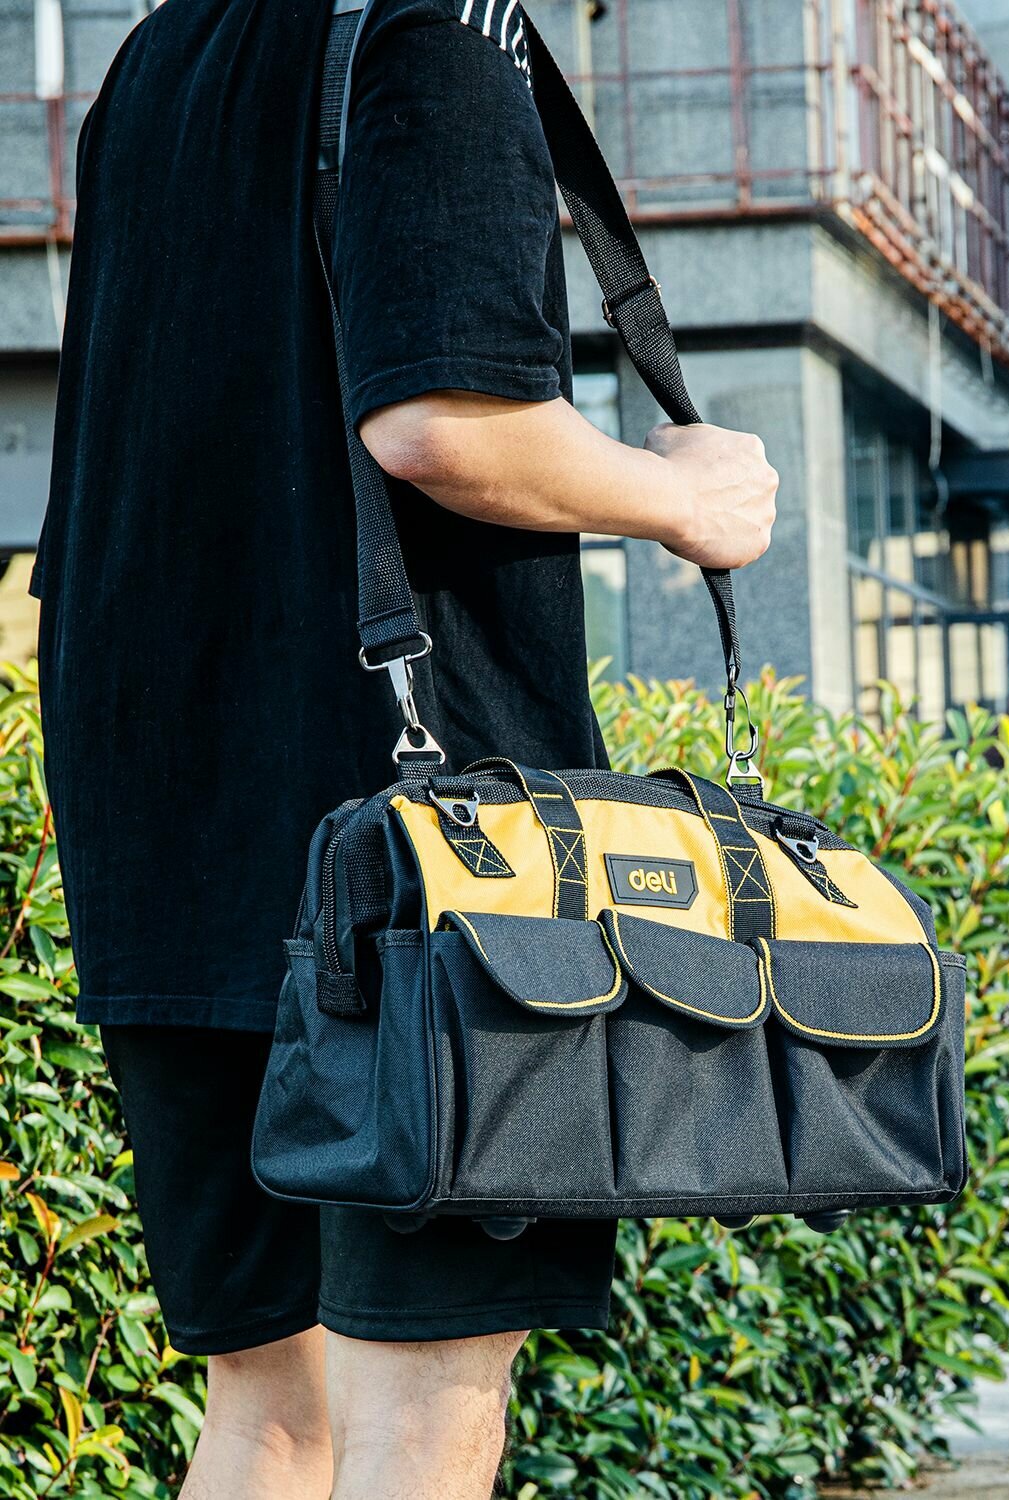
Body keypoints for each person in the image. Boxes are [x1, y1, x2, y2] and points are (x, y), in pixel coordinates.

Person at [34, 0, 777, 1494]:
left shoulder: (158, 56)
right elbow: (442, 421)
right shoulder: (437, 27)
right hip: (418, 858)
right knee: (424, 1409)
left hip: (163, 819)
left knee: (270, 1405)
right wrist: (685, 497)